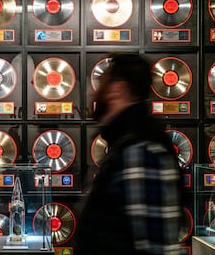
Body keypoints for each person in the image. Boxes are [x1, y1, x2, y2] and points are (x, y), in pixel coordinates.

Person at [76, 53, 183, 254]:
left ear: (118, 90)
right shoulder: (128, 142)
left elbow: (156, 248)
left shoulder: (141, 150)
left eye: (102, 84)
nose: (95, 93)